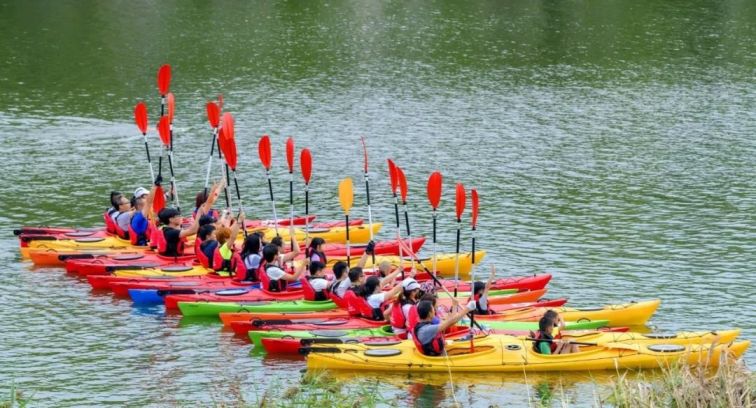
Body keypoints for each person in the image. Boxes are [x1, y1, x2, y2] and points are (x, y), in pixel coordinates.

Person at [156, 178, 224, 257]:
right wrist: (199, 214)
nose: (181, 217)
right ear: (171, 219)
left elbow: (210, 201)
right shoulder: (170, 232)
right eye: (178, 216)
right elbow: (193, 230)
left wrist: (220, 185)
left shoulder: (172, 228)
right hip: (173, 261)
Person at [412, 298, 476, 356]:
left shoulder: (427, 322)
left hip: (438, 354)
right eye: (433, 309)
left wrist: (454, 305)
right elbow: (450, 322)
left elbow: (450, 322)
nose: (435, 311)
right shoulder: (426, 330)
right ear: (429, 313)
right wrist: (468, 308)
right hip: (435, 358)